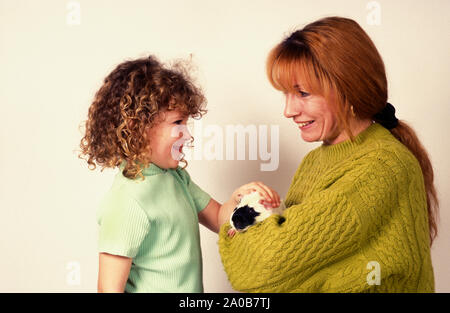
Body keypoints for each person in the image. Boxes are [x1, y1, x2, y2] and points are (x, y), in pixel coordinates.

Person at [218, 16, 439, 293]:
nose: (288, 110)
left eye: (303, 93)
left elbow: (266, 265)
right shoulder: (316, 160)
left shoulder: (384, 166)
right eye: (286, 94)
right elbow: (289, 270)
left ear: (349, 88)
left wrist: (228, 216)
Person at [79, 56, 280, 293]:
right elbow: (108, 289)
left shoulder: (175, 178)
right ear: (137, 127)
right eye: (178, 123)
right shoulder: (127, 201)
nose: (187, 135)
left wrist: (239, 198)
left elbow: (217, 218)